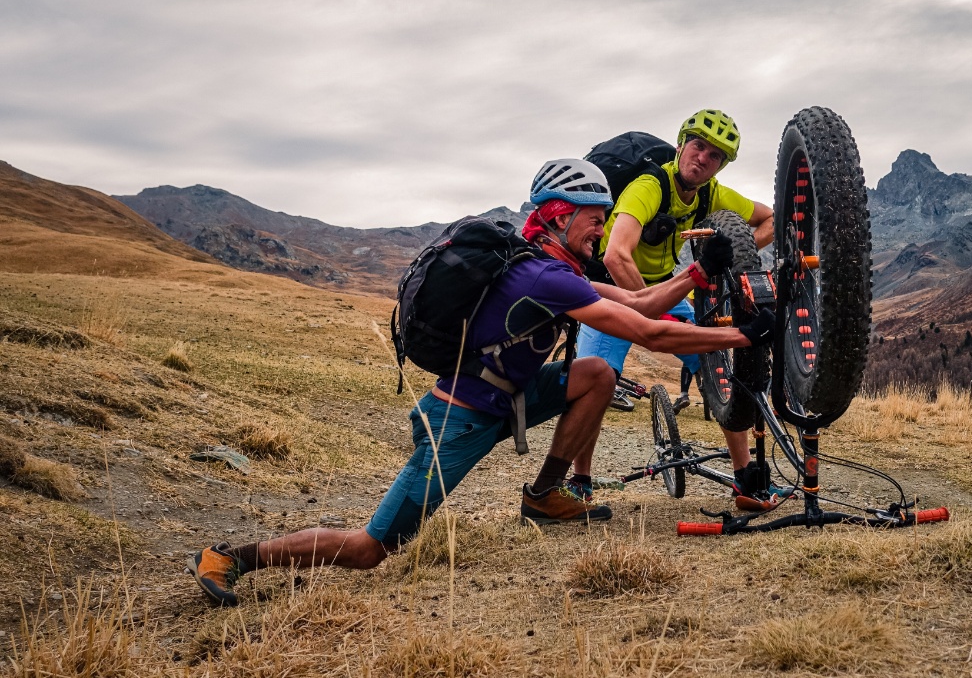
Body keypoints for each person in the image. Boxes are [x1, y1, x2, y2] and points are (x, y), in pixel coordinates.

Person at [187, 158, 774, 607]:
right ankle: (231, 556)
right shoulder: (546, 277)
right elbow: (653, 333)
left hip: (509, 397)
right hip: (459, 420)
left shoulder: (547, 268)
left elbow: (643, 299)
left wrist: (698, 271)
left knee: (594, 372)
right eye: (594, 224)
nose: (599, 235)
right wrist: (745, 337)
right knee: (373, 550)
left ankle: (545, 496)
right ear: (559, 215)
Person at [577, 109, 774, 496]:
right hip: (609, 288)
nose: (703, 158)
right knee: (597, 380)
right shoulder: (649, 187)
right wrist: (646, 308)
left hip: (666, 287)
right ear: (681, 145)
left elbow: (768, 219)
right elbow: (617, 256)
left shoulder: (713, 195)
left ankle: (745, 478)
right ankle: (579, 479)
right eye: (698, 146)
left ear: (719, 167)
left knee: (715, 368)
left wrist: (734, 256)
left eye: (715, 156)